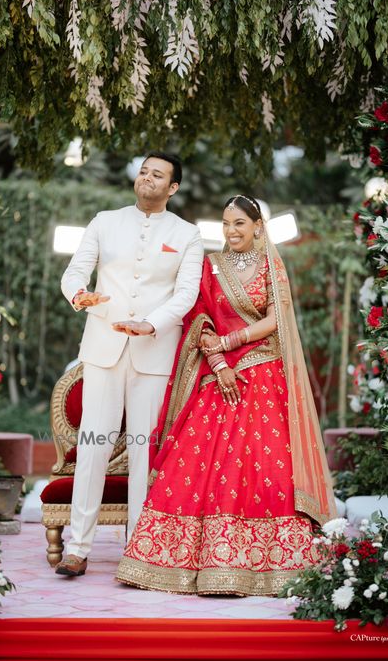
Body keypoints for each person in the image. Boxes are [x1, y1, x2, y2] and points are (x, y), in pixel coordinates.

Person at [116, 194, 337, 596]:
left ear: (257, 227)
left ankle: (263, 562)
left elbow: (275, 319)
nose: (231, 231)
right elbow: (198, 318)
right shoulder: (211, 265)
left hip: (262, 372)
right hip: (217, 372)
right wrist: (218, 362)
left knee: (267, 468)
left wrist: (230, 341)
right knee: (191, 464)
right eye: (226, 223)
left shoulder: (271, 265)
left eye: (239, 223)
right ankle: (178, 561)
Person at [55, 152, 204, 577]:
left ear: (172, 187)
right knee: (93, 447)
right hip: (103, 346)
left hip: (153, 352)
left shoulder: (187, 234)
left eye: (157, 175)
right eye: (143, 171)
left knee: (144, 450)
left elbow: (186, 294)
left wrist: (151, 323)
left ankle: (138, 549)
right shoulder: (105, 221)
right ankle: (77, 548)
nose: (147, 178)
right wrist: (79, 295)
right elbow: (74, 272)